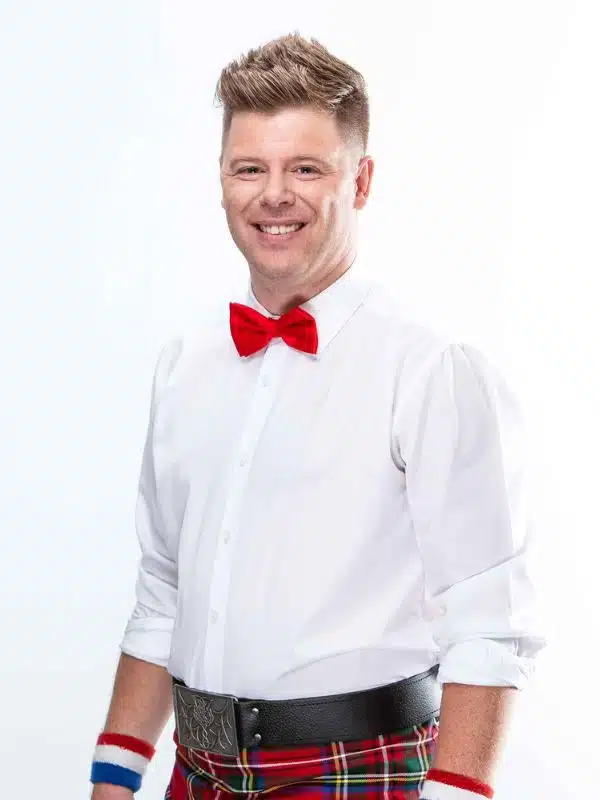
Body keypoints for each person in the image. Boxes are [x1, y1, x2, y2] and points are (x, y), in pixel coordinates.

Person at [89, 33, 546, 799]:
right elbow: (162, 591)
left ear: (360, 181)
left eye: (306, 168)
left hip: (360, 771)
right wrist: (115, 776)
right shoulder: (184, 365)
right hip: (196, 773)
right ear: (223, 181)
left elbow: (492, 626)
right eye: (250, 169)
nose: (274, 194)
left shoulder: (431, 367)